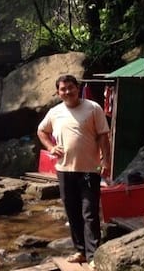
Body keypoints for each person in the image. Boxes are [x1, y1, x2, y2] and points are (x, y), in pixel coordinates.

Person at [36, 74, 111, 263]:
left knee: (90, 213)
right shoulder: (54, 112)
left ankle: (93, 256)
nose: (67, 92)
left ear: (78, 88)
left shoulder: (93, 108)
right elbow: (41, 131)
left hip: (89, 170)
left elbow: (103, 136)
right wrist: (51, 148)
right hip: (64, 170)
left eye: (70, 87)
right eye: (63, 89)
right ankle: (80, 251)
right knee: (72, 212)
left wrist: (106, 161)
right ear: (58, 92)